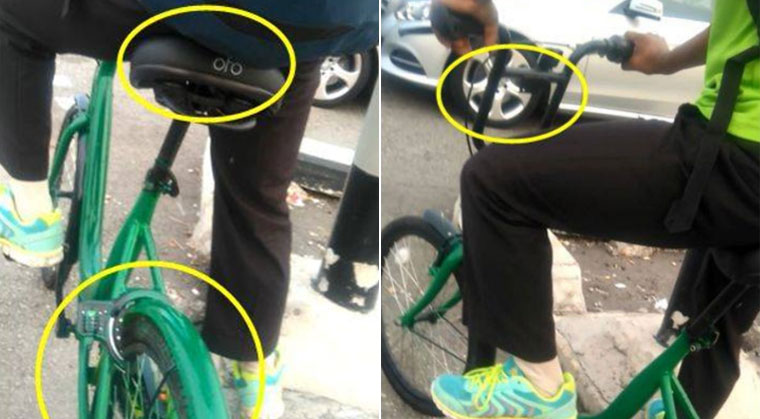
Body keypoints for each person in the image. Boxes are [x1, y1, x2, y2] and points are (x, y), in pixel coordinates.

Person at [0, 0, 376, 418]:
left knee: (14, 14)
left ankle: (30, 212)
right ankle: (254, 367)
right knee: (258, 196)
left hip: (197, 13)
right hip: (312, 29)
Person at [429, 0, 758, 418]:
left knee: (491, 182)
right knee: (713, 324)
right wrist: (665, 62)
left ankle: (538, 389)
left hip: (737, 155)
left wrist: (480, 10)